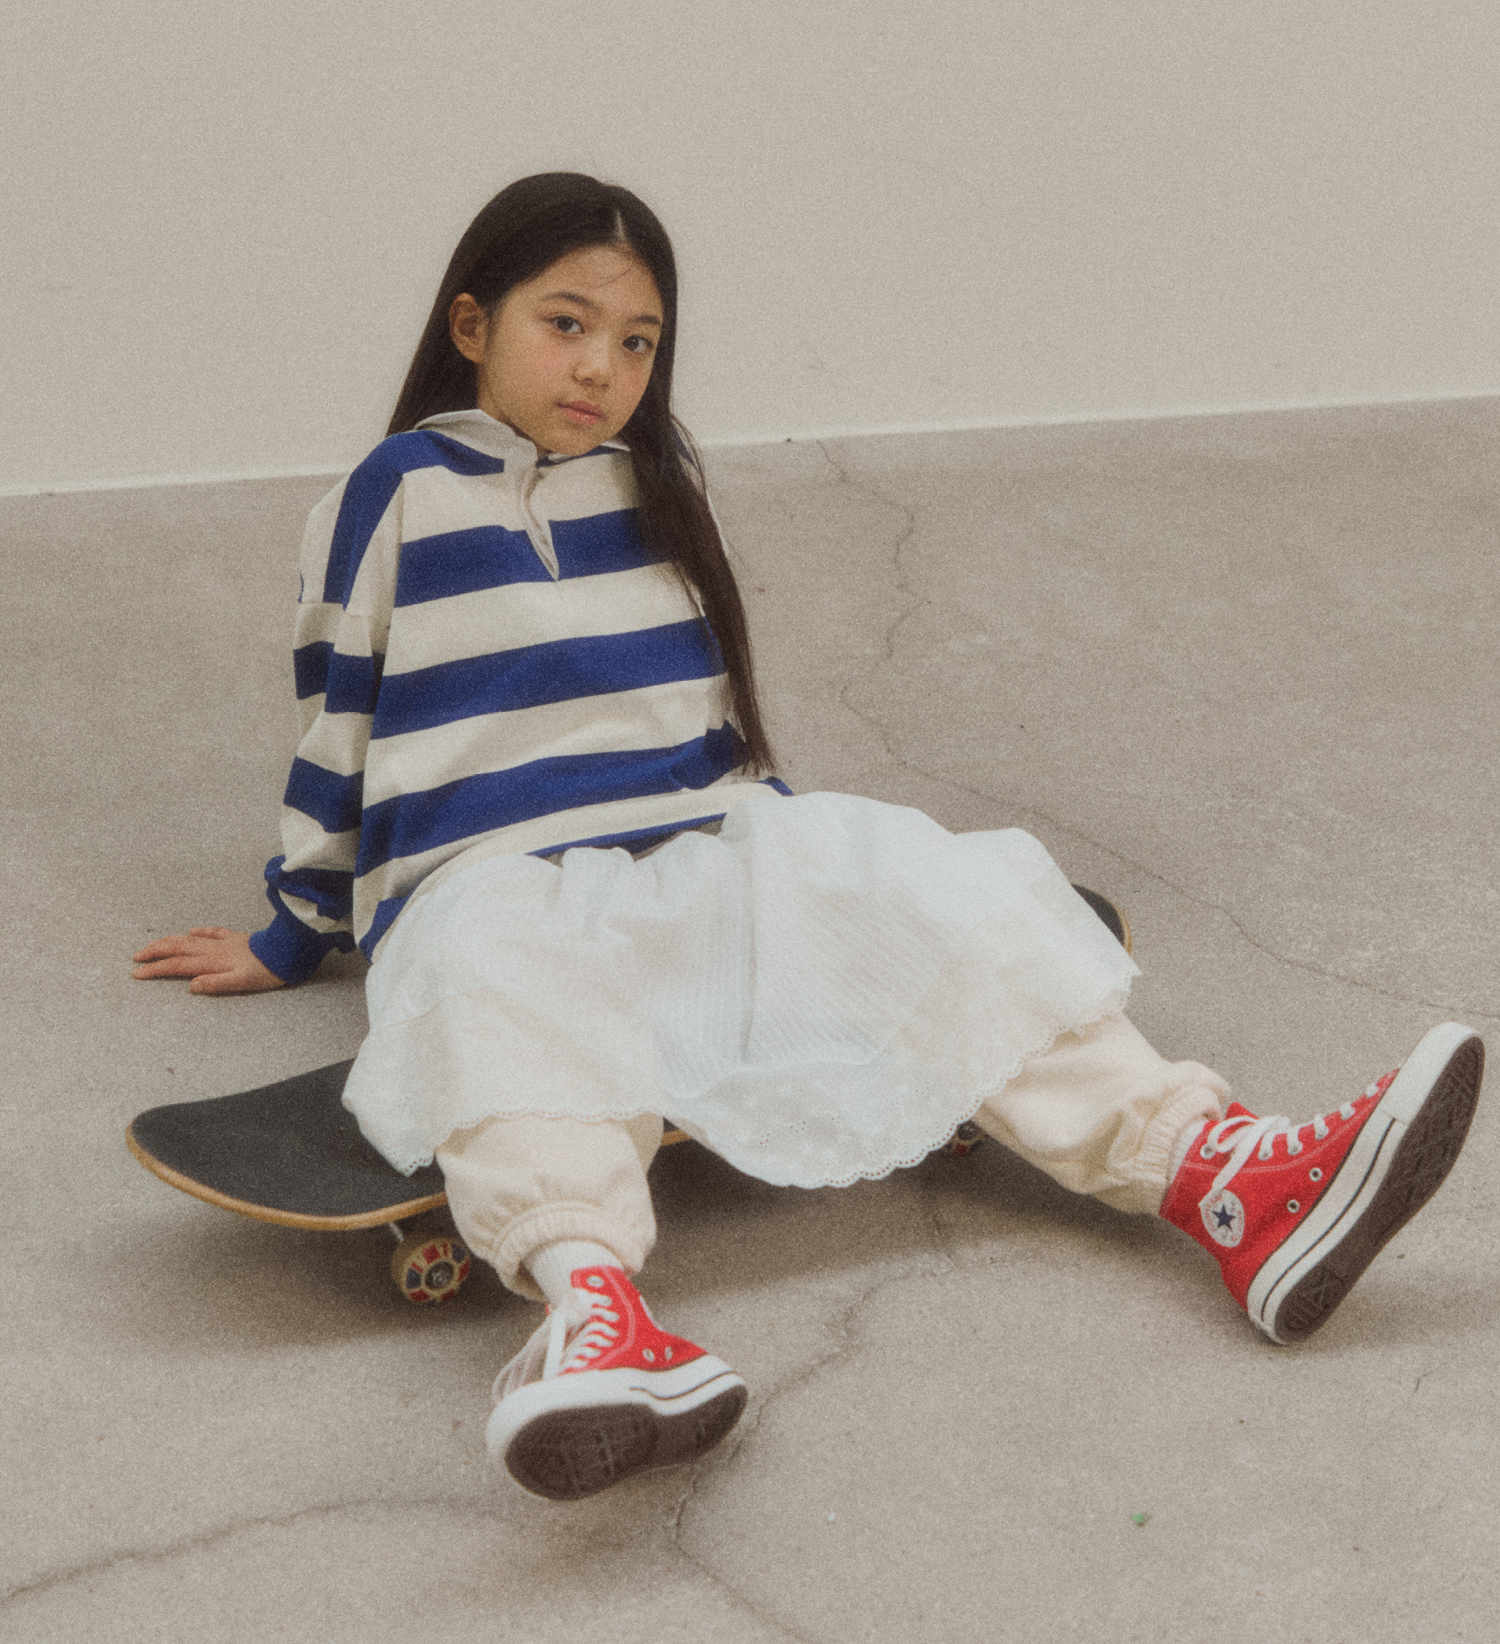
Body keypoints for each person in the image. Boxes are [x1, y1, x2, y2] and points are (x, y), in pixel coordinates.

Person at [133, 173, 1484, 1504]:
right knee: (497, 991)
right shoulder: (391, 497)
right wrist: (292, 930)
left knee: (903, 870)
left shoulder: (661, 485)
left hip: (698, 842)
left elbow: (711, 721)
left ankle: (1230, 1178)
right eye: (567, 324)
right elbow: (337, 729)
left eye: (639, 341)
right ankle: (597, 1319)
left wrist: (823, 897)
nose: (603, 367)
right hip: (492, 879)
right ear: (473, 325)